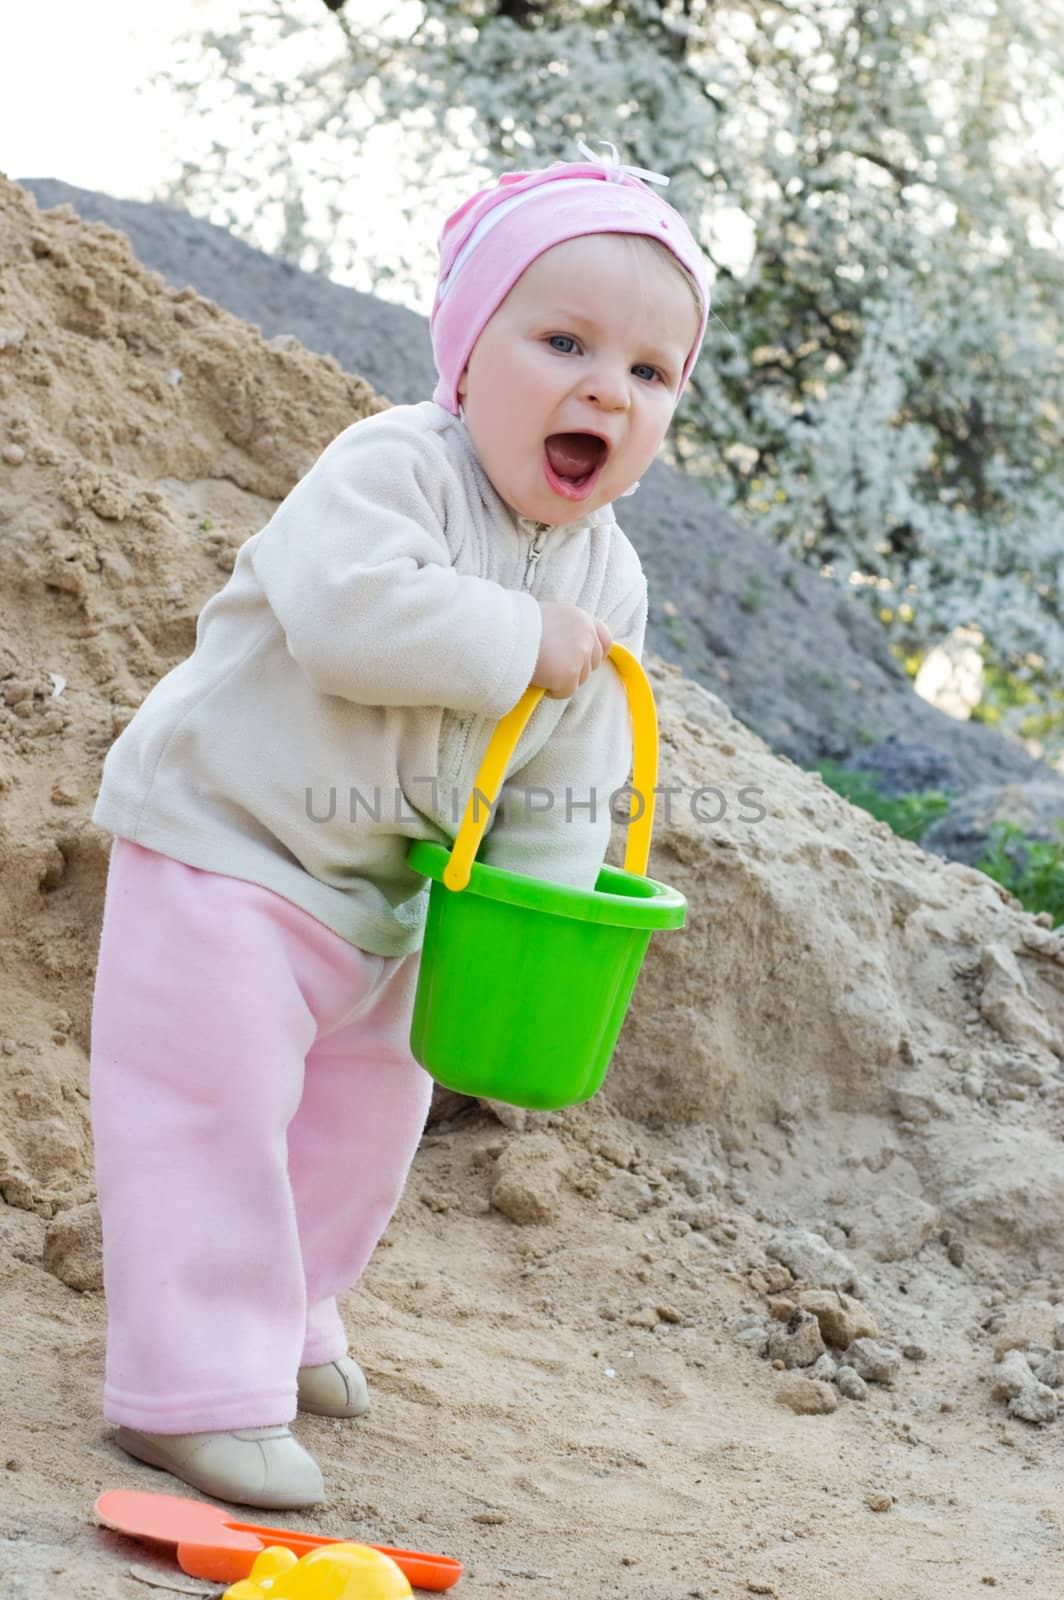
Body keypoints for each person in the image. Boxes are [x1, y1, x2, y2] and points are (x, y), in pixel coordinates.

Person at [88, 139, 710, 1509]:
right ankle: (189, 1390)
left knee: (367, 1118)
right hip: (228, 845)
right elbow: (347, 614)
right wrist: (517, 635)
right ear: (468, 355)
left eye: (652, 373)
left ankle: (290, 1317)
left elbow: (567, 766)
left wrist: (526, 925)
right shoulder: (393, 466)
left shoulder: (608, 577)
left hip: (390, 891)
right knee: (213, 1112)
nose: (607, 386)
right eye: (562, 341)